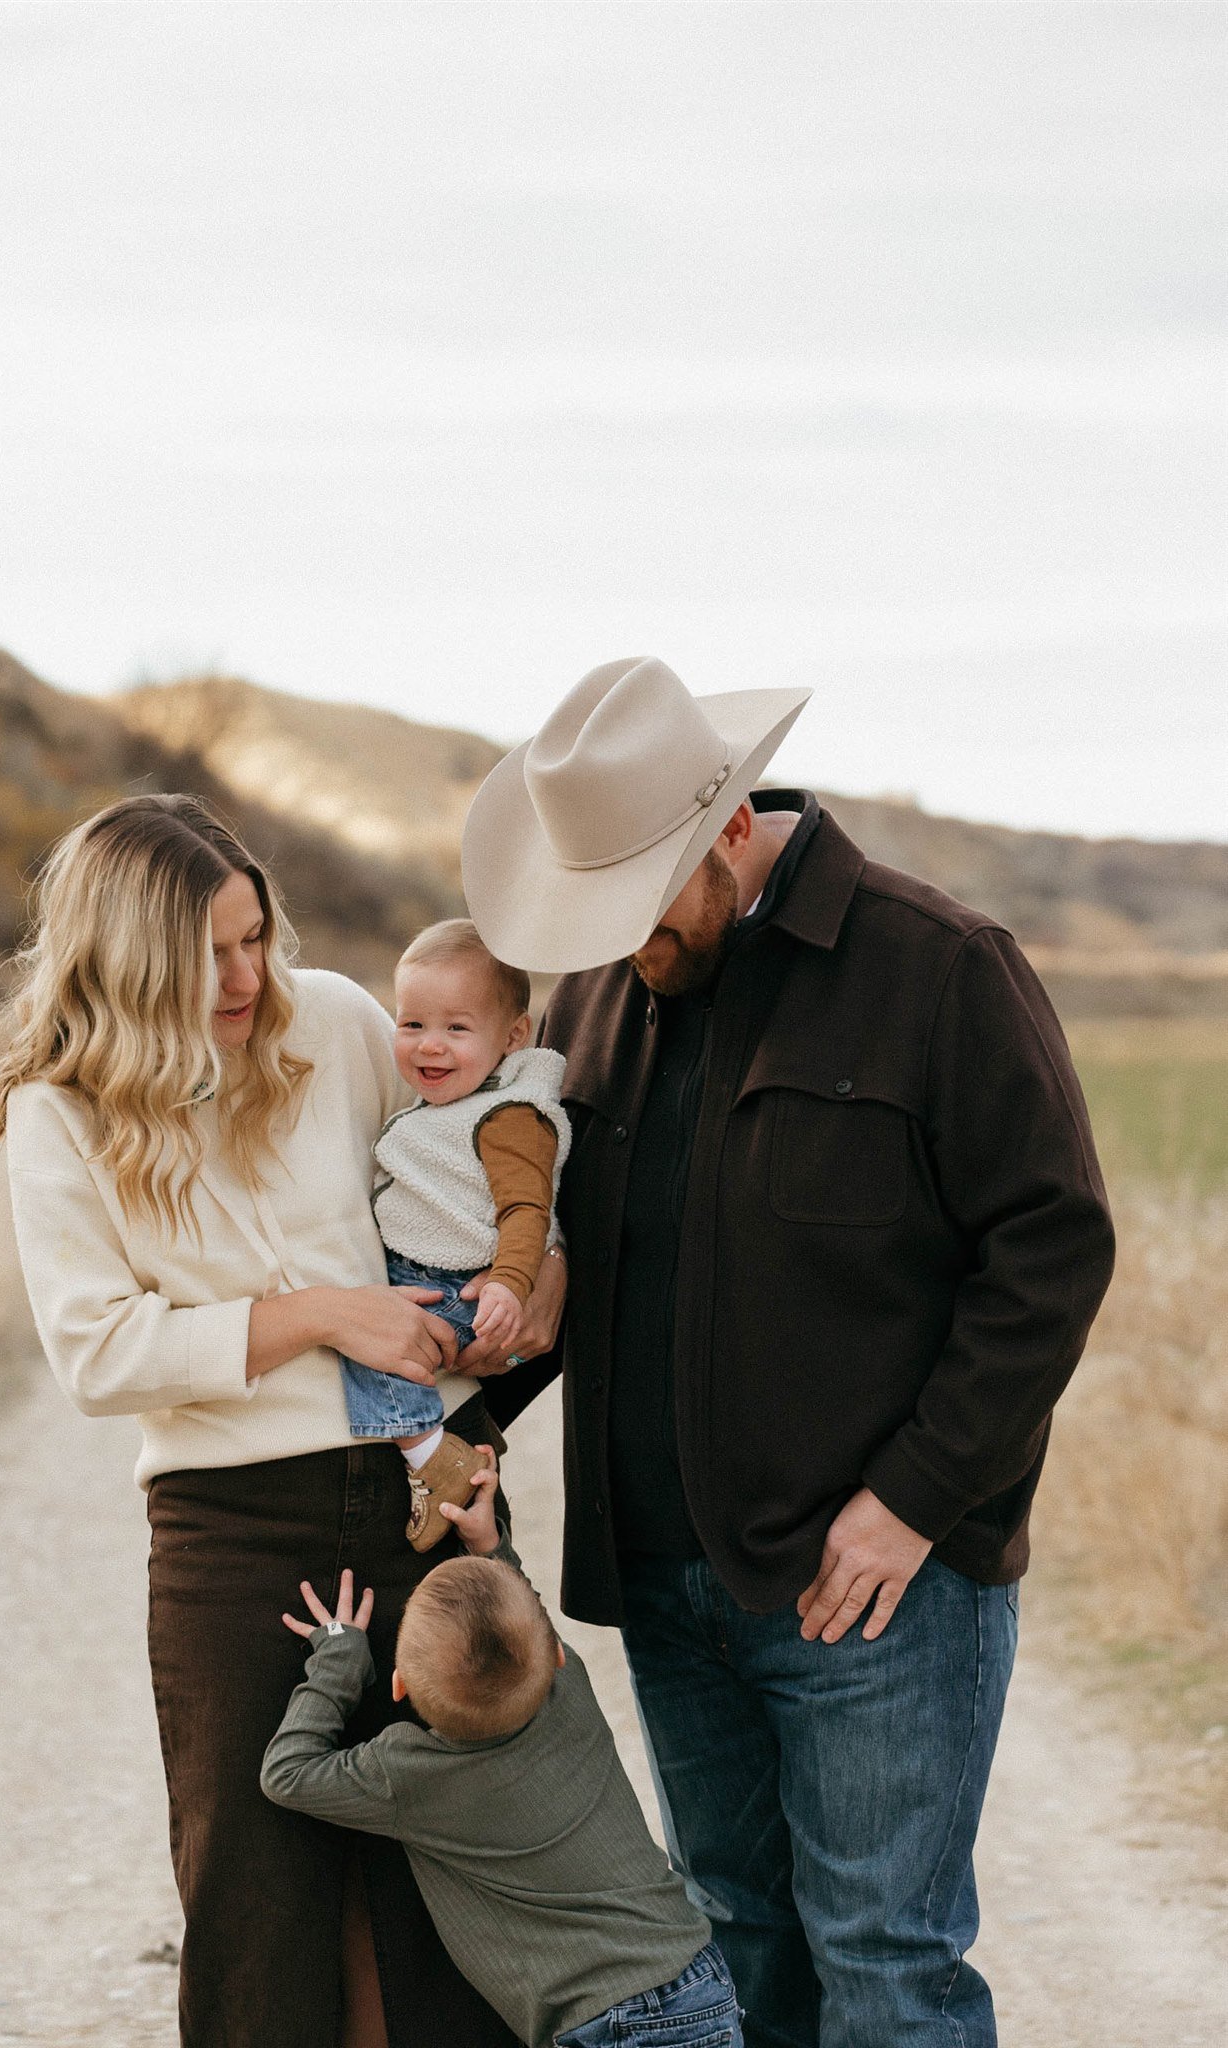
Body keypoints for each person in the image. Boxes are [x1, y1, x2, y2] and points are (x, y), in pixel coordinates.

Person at [460, 657, 1117, 2048]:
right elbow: (576, 1257)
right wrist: (475, 1413)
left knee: (885, 1967)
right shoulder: (595, 999)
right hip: (665, 1587)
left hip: (872, 1597)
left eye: (638, 908)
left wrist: (912, 1505)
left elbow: (1050, 1251)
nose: (622, 944)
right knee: (736, 1947)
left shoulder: (939, 968)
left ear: (730, 833)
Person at [0, 792, 564, 2048]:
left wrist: (531, 1280)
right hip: (230, 1533)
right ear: (129, 956)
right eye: (213, 952)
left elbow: (478, 1180)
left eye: (257, 934)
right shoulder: (59, 1109)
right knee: (259, 1915)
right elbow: (96, 1350)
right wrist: (316, 1315)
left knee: (453, 1896)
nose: (251, 974)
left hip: (422, 1500)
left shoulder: (344, 1022)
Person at [259, 1448, 742, 2048]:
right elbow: (526, 1618)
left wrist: (338, 1659)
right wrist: (489, 1545)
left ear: (398, 1685)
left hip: (599, 2027)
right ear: (556, 1655)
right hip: (696, 1980)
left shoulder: (407, 1772)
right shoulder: (571, 1692)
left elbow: (287, 1774)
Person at [336, 919, 570, 1550]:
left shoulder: (509, 1115)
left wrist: (511, 1286)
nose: (429, 1046)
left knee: (379, 1346)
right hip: (434, 1275)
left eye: (456, 1029)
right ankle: (434, 1456)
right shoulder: (444, 1105)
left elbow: (527, 1209)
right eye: (412, 1025)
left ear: (512, 1036)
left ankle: (431, 1457)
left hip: (463, 1290)